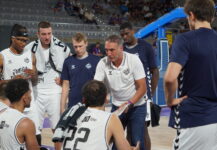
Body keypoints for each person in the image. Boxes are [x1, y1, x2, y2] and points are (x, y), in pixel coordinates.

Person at [164, 0, 217, 149]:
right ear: (211, 17)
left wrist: (169, 100)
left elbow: (170, 78)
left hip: (195, 117)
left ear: (191, 15)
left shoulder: (185, 39)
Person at [94, 35, 147, 150]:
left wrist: (129, 103)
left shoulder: (133, 60)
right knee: (112, 142)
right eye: (106, 50)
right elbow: (96, 87)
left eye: (112, 50)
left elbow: (142, 88)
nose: (108, 53)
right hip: (117, 107)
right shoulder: (103, 63)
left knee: (137, 141)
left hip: (137, 106)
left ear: (121, 48)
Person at [56, 80, 139, 150]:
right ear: (106, 99)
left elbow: (57, 143)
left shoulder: (70, 113)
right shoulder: (111, 119)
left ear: (83, 99)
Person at [120, 22, 159, 150]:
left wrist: (151, 93)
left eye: (127, 33)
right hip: (126, 96)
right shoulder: (122, 49)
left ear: (133, 31)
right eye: (122, 35)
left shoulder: (146, 47)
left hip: (143, 96)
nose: (125, 37)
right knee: (128, 131)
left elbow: (155, 71)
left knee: (142, 131)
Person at [0, 24, 41, 144]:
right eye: (21, 40)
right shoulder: (3, 56)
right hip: (10, 104)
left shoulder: (31, 55)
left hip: (28, 102)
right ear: (13, 38)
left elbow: (35, 82)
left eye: (26, 41)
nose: (24, 43)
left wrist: (34, 75)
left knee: (37, 137)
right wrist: (12, 81)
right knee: (11, 139)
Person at [60, 32, 100, 113]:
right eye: (75, 47)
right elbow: (65, 85)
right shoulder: (68, 61)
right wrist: (62, 108)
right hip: (73, 102)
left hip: (92, 103)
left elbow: (100, 84)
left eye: (80, 46)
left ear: (86, 44)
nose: (78, 49)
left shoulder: (96, 60)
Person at [0, 79, 40, 150]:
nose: (31, 97)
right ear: (25, 98)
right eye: (30, 94)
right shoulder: (26, 123)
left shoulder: (1, 114)